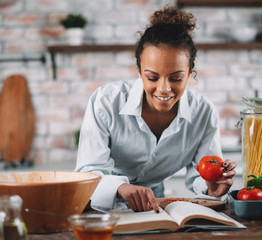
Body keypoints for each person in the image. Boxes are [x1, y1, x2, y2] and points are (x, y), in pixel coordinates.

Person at [75, 6, 236, 213]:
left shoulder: (203, 113)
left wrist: (211, 187)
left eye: (176, 78)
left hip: (155, 206)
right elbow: (89, 172)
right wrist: (121, 188)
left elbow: (202, 176)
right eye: (152, 77)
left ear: (189, 74)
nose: (164, 89)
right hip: (100, 207)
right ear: (140, 72)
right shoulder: (106, 101)